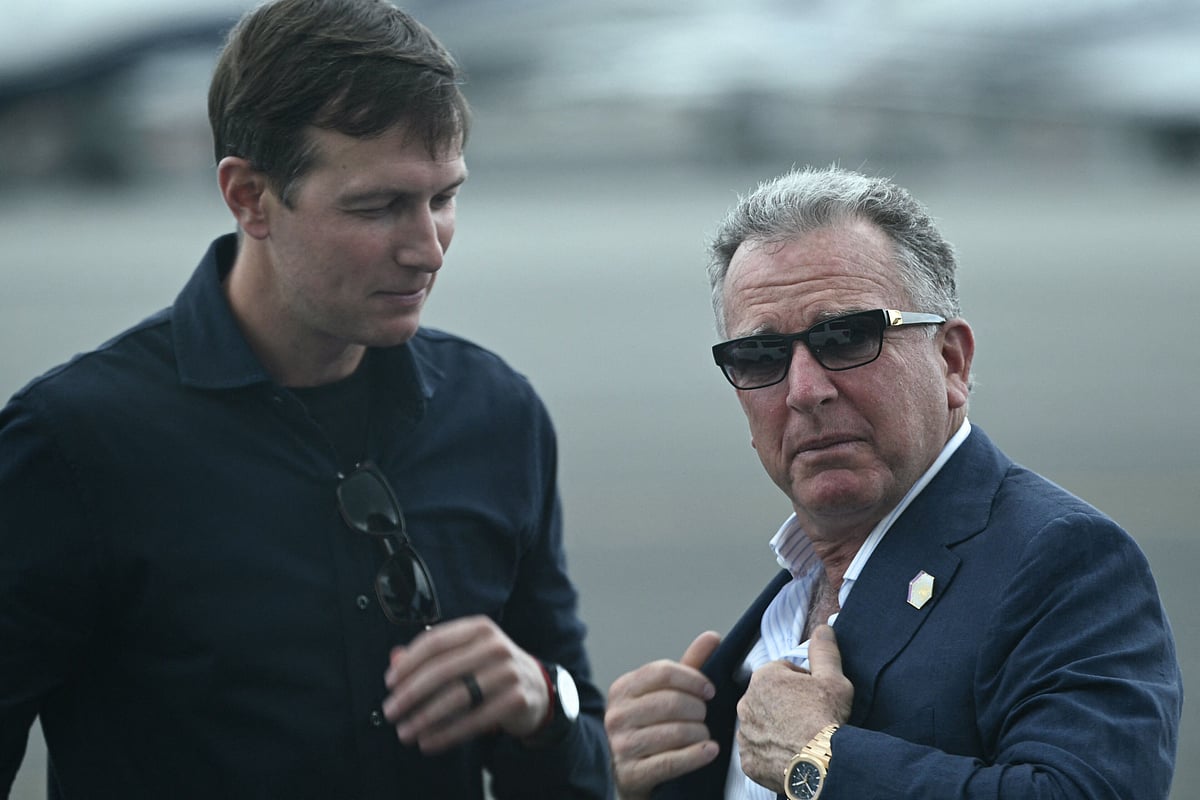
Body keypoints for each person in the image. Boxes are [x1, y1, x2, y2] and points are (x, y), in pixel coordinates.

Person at [0, 0, 612, 797]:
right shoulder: (73, 443)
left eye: (443, 198)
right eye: (379, 206)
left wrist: (544, 707)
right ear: (249, 197)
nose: (427, 249)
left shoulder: (498, 413)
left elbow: (584, 763)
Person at [604, 166, 1182, 800]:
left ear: (951, 362)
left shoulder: (1063, 559)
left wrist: (820, 762)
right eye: (761, 356)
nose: (805, 392)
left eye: (847, 338)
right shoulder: (798, 588)